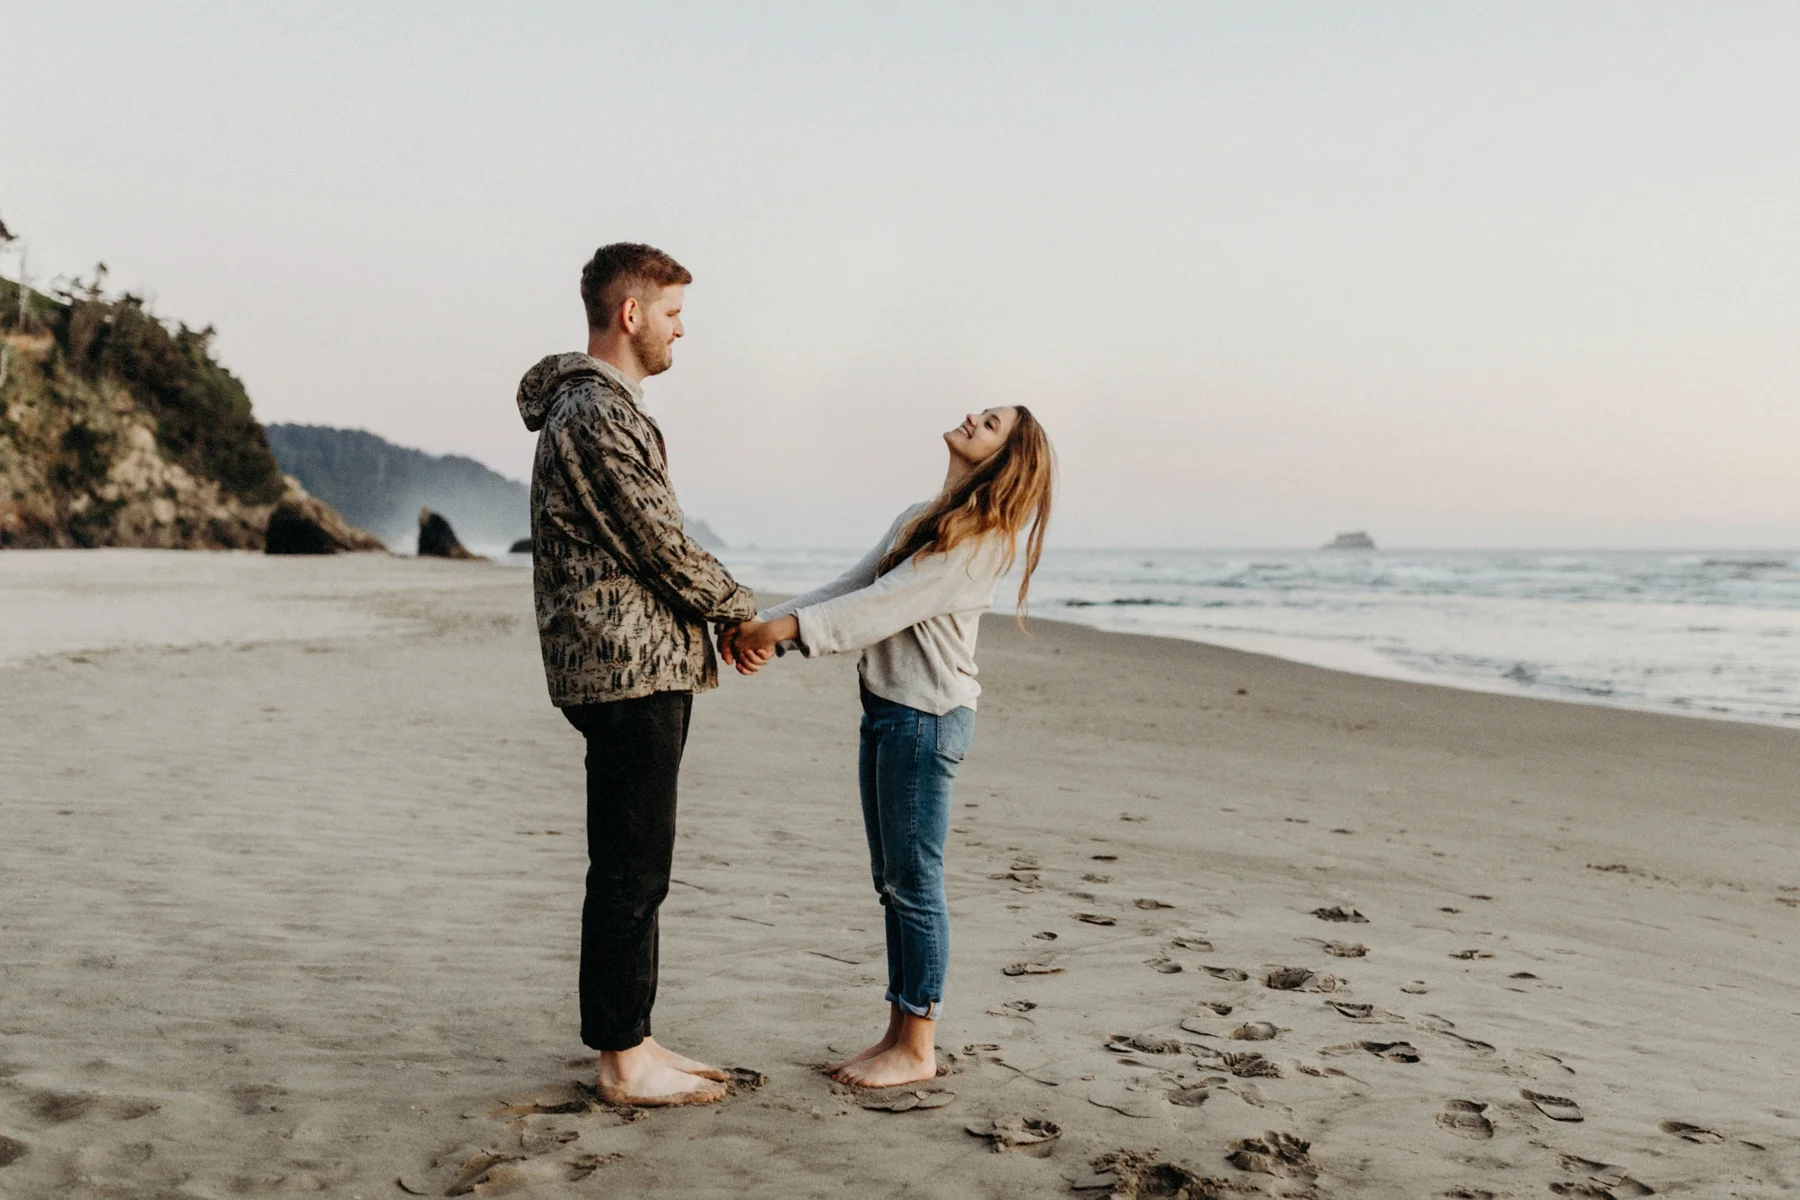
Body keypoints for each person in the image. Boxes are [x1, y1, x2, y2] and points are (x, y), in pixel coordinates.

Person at [721, 406, 1055, 1087]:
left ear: (1005, 458)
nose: (971, 417)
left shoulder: (981, 540)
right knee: (892, 883)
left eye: (989, 423)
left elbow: (879, 608)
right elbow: (855, 585)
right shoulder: (922, 514)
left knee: (914, 884)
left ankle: (918, 1047)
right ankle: (898, 1032)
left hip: (925, 719)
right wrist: (767, 629)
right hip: (890, 711)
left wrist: (782, 631)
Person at [516, 243, 761, 1107]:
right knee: (629, 866)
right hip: (626, 669)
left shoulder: (598, 409)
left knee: (637, 861)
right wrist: (740, 610)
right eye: (671, 313)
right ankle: (622, 1059)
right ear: (630, 314)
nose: (680, 330)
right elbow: (655, 539)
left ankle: (635, 1035)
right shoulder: (593, 412)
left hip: (637, 663)